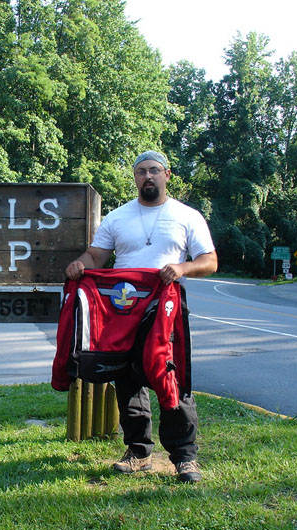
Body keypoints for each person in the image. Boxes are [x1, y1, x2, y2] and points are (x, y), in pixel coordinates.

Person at [65, 150, 217, 483]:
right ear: (134, 177)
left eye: (154, 171)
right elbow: (97, 255)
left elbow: (209, 261)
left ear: (167, 175)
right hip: (123, 308)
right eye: (141, 172)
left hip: (166, 306)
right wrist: (81, 264)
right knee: (128, 377)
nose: (147, 177)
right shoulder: (118, 217)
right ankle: (138, 451)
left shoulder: (187, 215)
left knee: (172, 376)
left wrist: (181, 267)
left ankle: (185, 457)